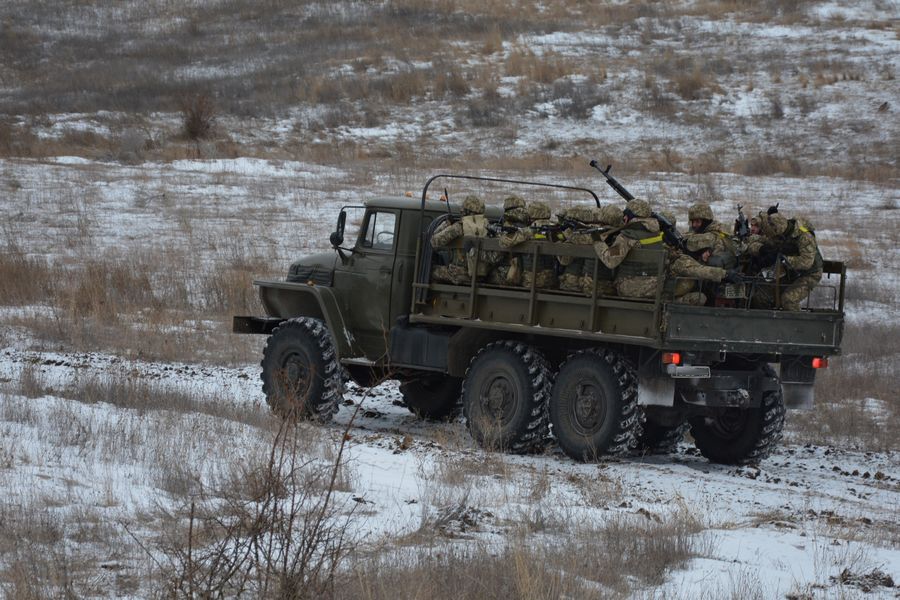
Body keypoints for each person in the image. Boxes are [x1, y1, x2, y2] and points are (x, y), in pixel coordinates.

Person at [747, 212, 823, 311]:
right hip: (790, 272)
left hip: (810, 274)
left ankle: (798, 325)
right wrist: (761, 248)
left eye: (775, 230)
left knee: (788, 300)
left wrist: (784, 259)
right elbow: (761, 241)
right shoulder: (782, 234)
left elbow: (806, 262)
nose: (774, 233)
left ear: (780, 227)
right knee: (762, 296)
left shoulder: (804, 237)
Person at [594, 198, 664, 299]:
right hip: (656, 287)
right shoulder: (656, 232)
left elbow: (610, 260)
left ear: (628, 216)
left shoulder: (629, 235)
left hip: (632, 288)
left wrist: (597, 241)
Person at [431, 195, 490, 284]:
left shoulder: (460, 227)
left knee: (431, 270)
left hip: (460, 274)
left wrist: (446, 224)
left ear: (465, 210)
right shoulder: (487, 226)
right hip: (482, 276)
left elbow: (434, 241)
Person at [486, 195, 530, 286]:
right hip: (526, 274)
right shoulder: (529, 226)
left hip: (508, 275)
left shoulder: (507, 227)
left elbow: (494, 258)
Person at [685, 202, 737, 269]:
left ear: (706, 221)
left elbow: (715, 241)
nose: (694, 225)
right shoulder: (699, 231)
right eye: (692, 222)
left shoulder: (717, 233)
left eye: (697, 221)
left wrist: (708, 250)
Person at [520, 201, 558, 289]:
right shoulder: (555, 228)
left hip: (531, 279)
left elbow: (505, 242)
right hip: (550, 277)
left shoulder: (531, 229)